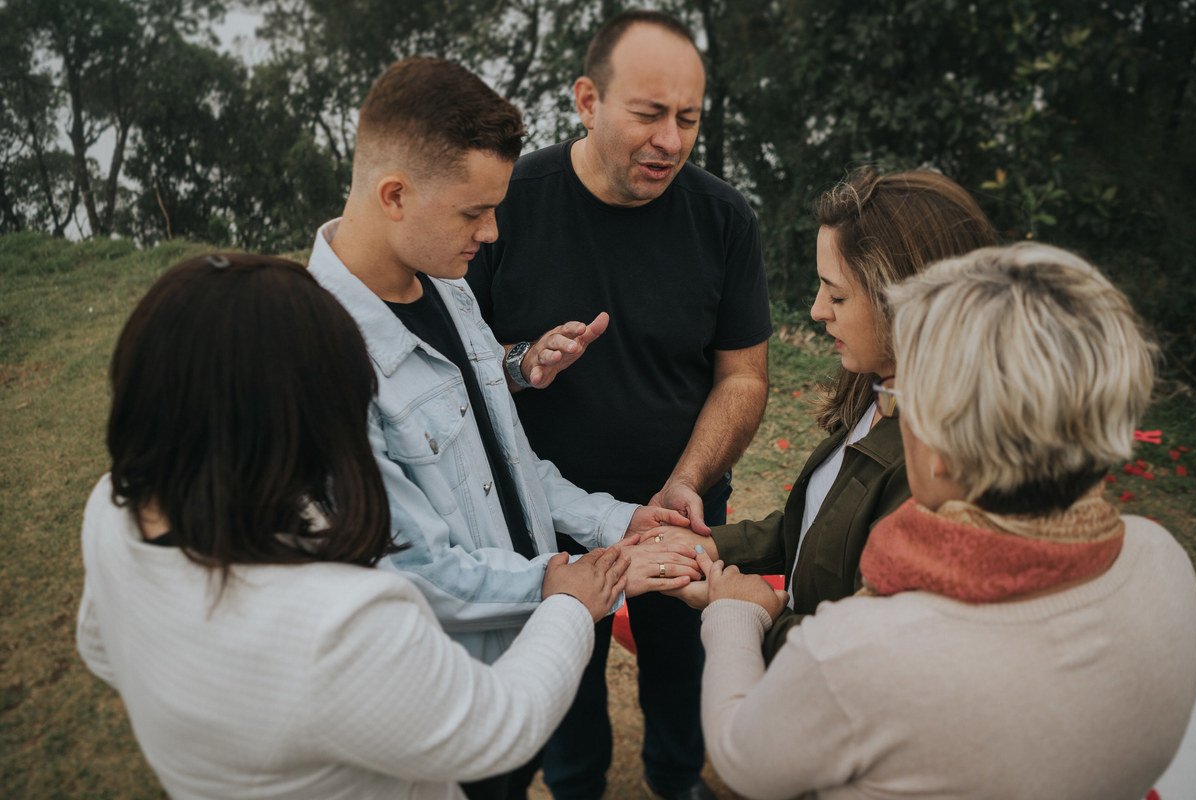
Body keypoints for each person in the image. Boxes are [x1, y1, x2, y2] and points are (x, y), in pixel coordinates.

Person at [76, 253, 634, 799]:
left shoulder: (112, 507)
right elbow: (497, 727)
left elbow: (101, 648)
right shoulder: (339, 622)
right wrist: (566, 602)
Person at [305, 57, 700, 799]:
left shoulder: (449, 292)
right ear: (394, 195)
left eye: (497, 209)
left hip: (529, 651)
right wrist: (578, 581)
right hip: (455, 692)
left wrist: (620, 521)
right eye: (471, 213)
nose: (491, 234)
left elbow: (512, 464)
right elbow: (414, 571)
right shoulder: (322, 357)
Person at [692, 242, 1196, 799]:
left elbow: (742, 759)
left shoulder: (860, 650)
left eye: (898, 398)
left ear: (938, 447)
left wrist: (737, 617)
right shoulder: (1165, 559)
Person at [467, 11, 771, 800]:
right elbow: (460, 371)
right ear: (588, 101)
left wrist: (688, 482)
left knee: (682, 668)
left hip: (680, 511)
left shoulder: (725, 219)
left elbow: (743, 377)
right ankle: (578, 788)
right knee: (565, 679)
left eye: (689, 119)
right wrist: (520, 360)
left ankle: (676, 781)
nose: (670, 139)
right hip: (546, 517)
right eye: (648, 114)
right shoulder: (507, 206)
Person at [655, 167, 996, 660]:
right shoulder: (877, 391)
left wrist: (751, 615)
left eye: (837, 295)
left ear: (907, 305)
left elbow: (873, 649)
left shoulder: (936, 465)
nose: (817, 310)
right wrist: (710, 547)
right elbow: (823, 524)